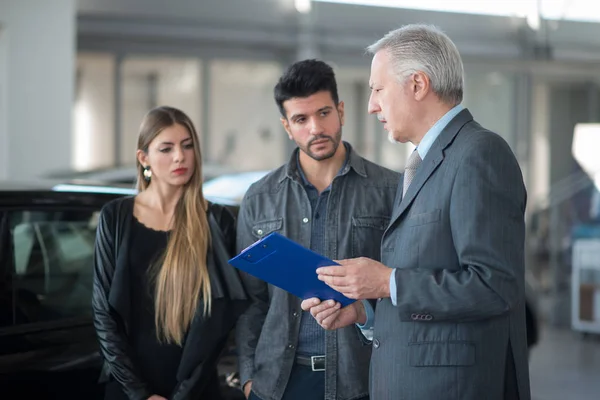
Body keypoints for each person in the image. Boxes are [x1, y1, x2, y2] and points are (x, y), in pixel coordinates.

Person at [302, 24, 532, 400]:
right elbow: (425, 283)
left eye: (378, 89)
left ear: (418, 85)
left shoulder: (479, 154)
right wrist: (365, 313)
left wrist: (386, 281)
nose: (372, 104)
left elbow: (495, 286)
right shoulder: (422, 163)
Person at [235, 59, 399, 400]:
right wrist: (250, 377)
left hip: (362, 382)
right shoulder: (260, 198)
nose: (315, 128)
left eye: (324, 113)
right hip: (278, 385)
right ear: (286, 126)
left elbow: (403, 285)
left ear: (340, 110)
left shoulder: (389, 190)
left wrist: (366, 314)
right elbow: (250, 301)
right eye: (301, 119)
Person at [92, 106, 249, 400]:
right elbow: (104, 314)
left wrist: (183, 395)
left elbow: (223, 321)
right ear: (144, 158)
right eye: (166, 148)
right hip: (128, 388)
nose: (180, 156)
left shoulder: (217, 221)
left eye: (187, 146)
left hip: (196, 389)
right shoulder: (115, 217)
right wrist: (139, 393)